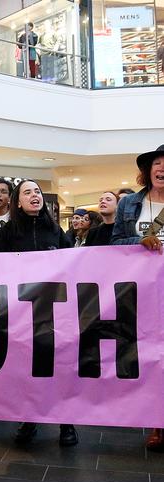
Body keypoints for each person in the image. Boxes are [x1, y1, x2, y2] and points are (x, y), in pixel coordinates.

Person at [0, 179, 77, 447]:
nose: (34, 195)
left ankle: (67, 422)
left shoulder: (56, 232)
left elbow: (72, 267)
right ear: (18, 201)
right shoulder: (5, 234)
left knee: (59, 367)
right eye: (27, 192)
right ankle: (28, 418)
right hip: (19, 314)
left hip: (53, 312)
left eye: (37, 191)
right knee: (26, 368)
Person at [111, 145, 164, 451]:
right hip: (141, 291)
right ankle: (156, 421)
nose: (162, 168)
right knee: (150, 356)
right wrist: (139, 241)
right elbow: (116, 241)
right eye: (157, 163)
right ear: (148, 170)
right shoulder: (130, 203)